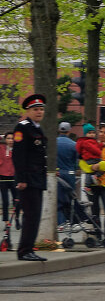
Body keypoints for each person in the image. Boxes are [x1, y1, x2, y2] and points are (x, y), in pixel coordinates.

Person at [12, 94, 49, 261]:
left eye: (41, 109)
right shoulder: (22, 127)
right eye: (36, 109)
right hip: (27, 180)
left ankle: (29, 249)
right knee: (30, 215)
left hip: (37, 179)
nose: (39, 112)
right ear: (28, 111)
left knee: (35, 215)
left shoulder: (37, 128)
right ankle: (24, 250)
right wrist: (21, 179)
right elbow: (18, 156)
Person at [79, 123, 105, 245]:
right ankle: (98, 236)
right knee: (95, 212)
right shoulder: (91, 144)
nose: (102, 134)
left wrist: (99, 165)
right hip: (93, 184)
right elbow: (82, 162)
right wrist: (91, 167)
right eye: (100, 132)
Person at [56, 122, 80, 227]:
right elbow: (76, 162)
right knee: (70, 199)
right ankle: (72, 221)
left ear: (59, 130)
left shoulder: (53, 143)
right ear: (69, 131)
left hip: (58, 174)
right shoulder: (73, 144)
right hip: (70, 174)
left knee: (58, 200)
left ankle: (61, 222)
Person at [0, 132, 15, 224]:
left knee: (16, 200)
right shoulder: (1, 148)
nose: (10, 140)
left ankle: (16, 217)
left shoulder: (17, 149)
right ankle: (6, 220)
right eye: (8, 138)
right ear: (5, 140)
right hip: (2, 177)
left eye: (12, 138)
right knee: (5, 201)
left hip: (14, 177)